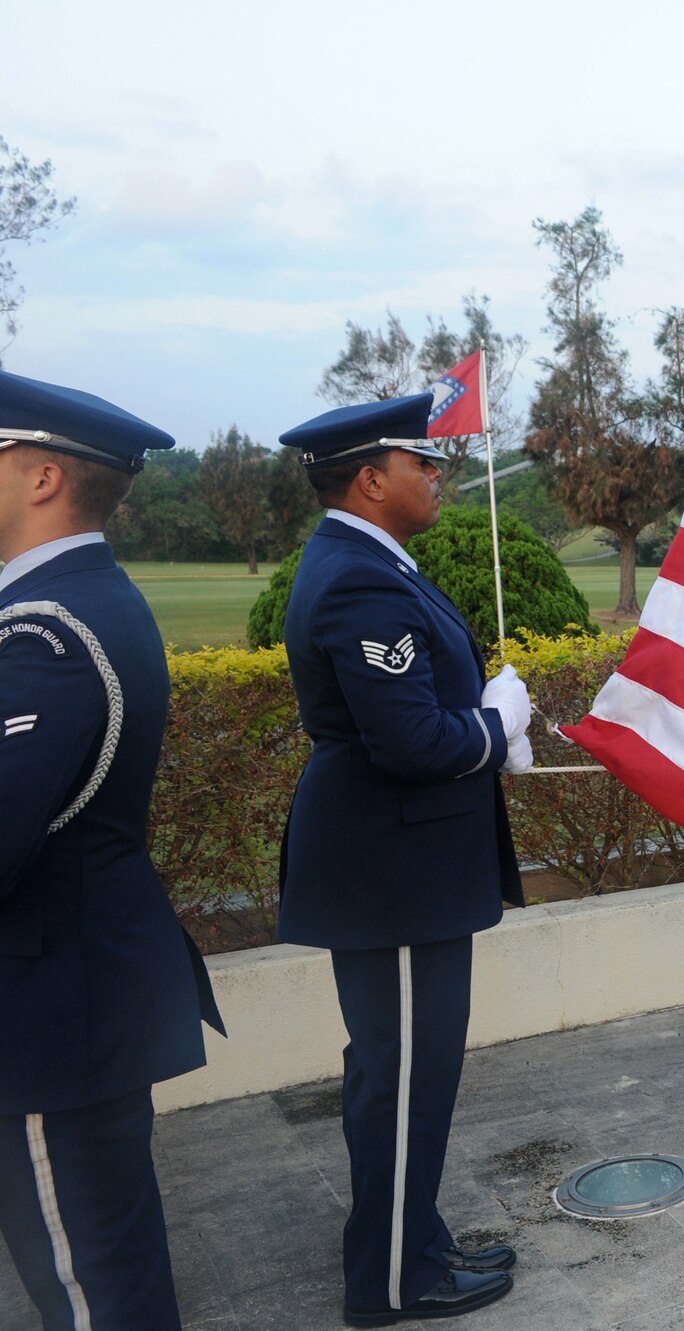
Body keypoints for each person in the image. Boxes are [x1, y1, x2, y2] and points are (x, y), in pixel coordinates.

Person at [277, 393, 534, 1326]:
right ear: (369, 479)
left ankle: (414, 1237)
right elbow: (415, 741)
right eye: (422, 463)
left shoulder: (374, 564)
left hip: (402, 864)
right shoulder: (358, 579)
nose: (439, 475)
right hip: (393, 871)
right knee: (401, 1078)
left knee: (412, 1072)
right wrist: (497, 722)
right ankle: (392, 1277)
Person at [0, 369, 224, 1331]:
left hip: (51, 1015)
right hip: (78, 995)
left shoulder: (46, 633)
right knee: (109, 1268)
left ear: (43, 476)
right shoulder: (84, 600)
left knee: (91, 1291)